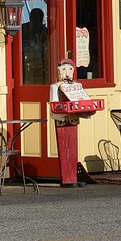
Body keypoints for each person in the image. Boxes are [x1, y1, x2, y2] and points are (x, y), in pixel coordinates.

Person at [50, 57, 86, 187]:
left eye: (70, 70)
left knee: (73, 146)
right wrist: (60, 113)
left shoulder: (76, 86)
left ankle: (73, 177)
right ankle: (66, 178)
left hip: (73, 117)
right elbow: (53, 105)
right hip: (62, 119)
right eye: (63, 70)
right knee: (64, 147)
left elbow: (82, 100)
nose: (67, 73)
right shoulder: (55, 87)